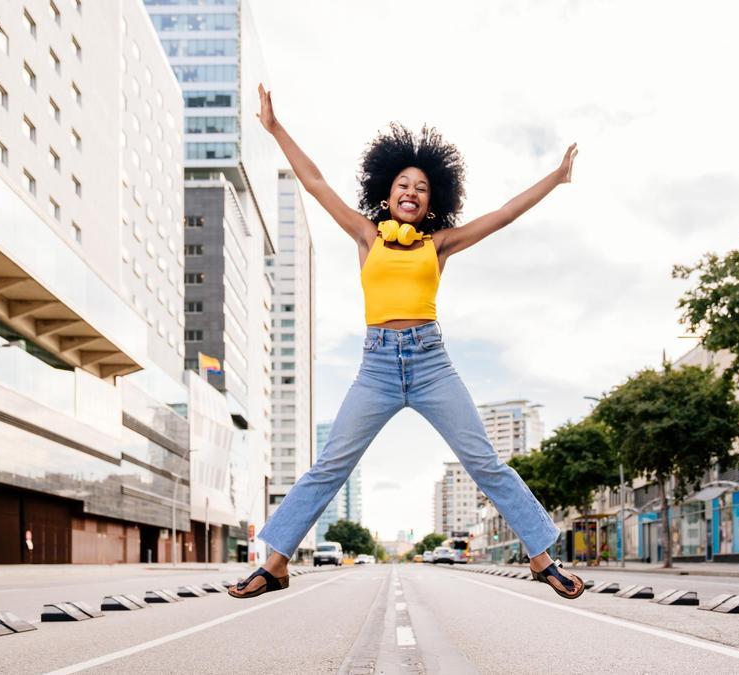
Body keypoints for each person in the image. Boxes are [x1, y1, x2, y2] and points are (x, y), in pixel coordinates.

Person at [229, 84, 583, 600]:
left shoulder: (438, 244)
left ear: (431, 198)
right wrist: (275, 128)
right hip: (376, 366)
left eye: (420, 186)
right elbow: (315, 181)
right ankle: (276, 564)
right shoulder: (366, 235)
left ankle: (542, 559)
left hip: (430, 362)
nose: (411, 191)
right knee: (330, 465)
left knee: (484, 461)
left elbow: (503, 214)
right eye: (402, 184)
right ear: (386, 192)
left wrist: (554, 177)